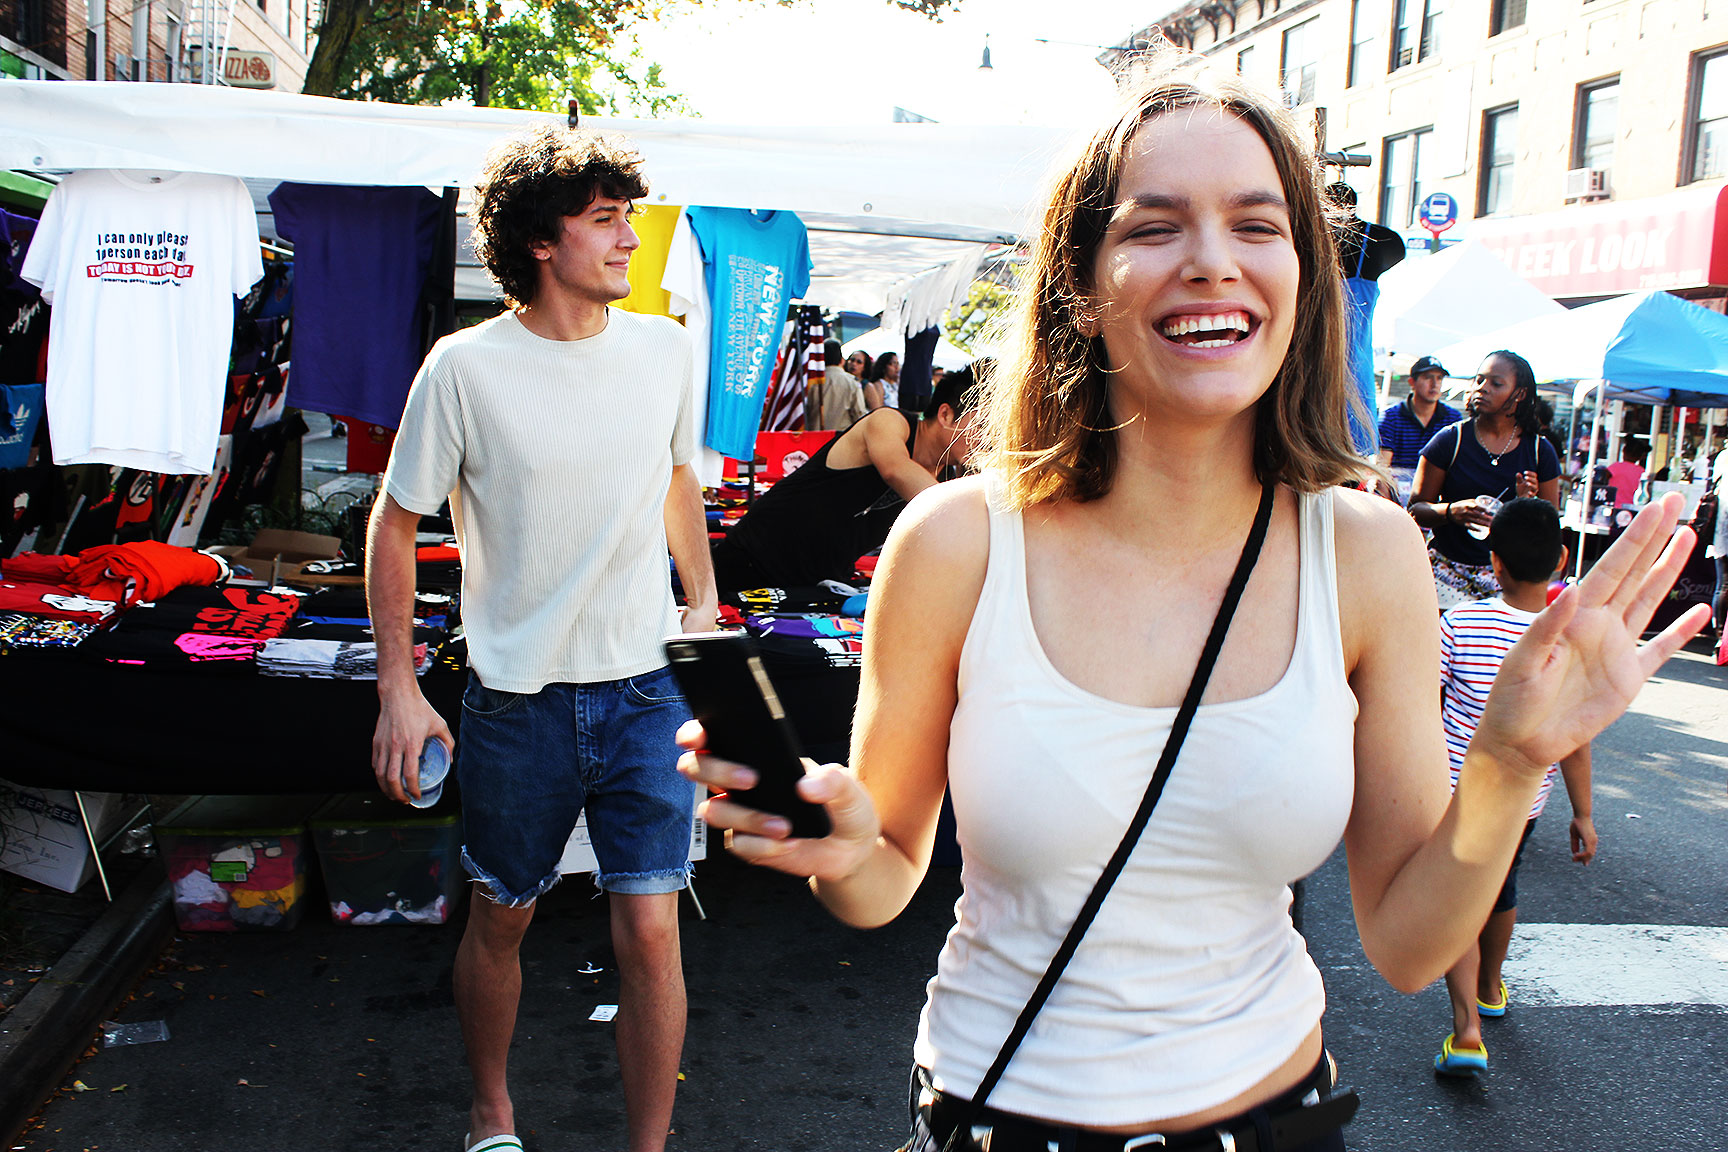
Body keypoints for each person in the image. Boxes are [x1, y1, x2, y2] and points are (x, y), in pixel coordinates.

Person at [680, 67, 1706, 1152]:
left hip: (1278, 1121)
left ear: (1300, 280)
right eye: (1156, 226)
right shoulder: (955, 543)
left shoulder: (1365, 553)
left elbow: (1407, 949)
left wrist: (1505, 761)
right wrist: (841, 850)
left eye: (1257, 225)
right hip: (1001, 1120)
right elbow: (884, 879)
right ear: (1082, 285)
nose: (1214, 260)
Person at [366, 124, 718, 1152]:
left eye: (627, 217)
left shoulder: (664, 350)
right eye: (605, 220)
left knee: (651, 927)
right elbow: (395, 519)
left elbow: (676, 477)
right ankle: (492, 1111)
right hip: (518, 702)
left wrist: (703, 599)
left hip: (649, 692)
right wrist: (398, 686)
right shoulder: (465, 368)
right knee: (503, 917)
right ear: (539, 242)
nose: (629, 239)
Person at [1431, 498, 1597, 1077]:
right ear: (1562, 559)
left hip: (1457, 787)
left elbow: (1426, 703)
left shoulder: (1460, 623)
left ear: (1494, 562)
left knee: (1456, 896)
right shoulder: (1566, 642)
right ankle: (1490, 985)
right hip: (1526, 799)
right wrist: (1584, 814)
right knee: (1501, 887)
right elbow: (1575, 741)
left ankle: (1466, 1032)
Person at [709, 366, 979, 598]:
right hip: (752, 558)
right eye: (981, 425)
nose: (988, 438)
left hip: (817, 584)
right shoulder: (890, 422)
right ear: (945, 415)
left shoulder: (948, 478)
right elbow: (896, 470)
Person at [1409, 350, 1561, 609]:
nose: (1482, 388)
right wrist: (1451, 511)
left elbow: (1549, 527)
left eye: (1496, 383)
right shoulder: (1450, 440)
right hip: (1445, 576)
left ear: (1520, 393)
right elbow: (1415, 510)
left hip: (1509, 584)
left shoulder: (1540, 451)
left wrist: (1526, 504)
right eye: (1479, 380)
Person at [1375, 354, 1460, 503]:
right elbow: (1382, 467)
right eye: (1428, 377)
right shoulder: (1390, 417)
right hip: (1397, 491)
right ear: (1412, 382)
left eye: (1439, 378)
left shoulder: (1452, 419)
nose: (1434, 384)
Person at [807, 338, 868, 431]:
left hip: (815, 435)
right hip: (842, 436)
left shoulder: (811, 382)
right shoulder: (852, 382)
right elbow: (859, 414)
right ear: (841, 360)